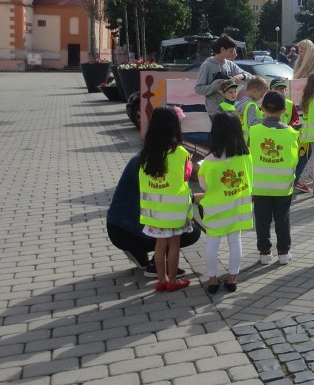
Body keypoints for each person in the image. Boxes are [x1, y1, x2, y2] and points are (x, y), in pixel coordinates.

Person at [106, 153, 201, 277]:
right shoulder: (163, 164)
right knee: (191, 231)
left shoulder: (139, 159)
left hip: (116, 226)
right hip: (131, 229)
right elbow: (172, 201)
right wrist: (198, 197)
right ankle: (155, 266)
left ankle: (137, 251)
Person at [138, 106, 194, 292]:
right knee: (174, 245)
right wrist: (190, 163)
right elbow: (185, 176)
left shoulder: (146, 153)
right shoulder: (181, 153)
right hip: (175, 211)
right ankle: (173, 281)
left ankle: (161, 280)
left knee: (159, 245)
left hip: (154, 210)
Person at [197, 112, 254, 293]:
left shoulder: (208, 161)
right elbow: (250, 180)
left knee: (212, 243)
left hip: (215, 210)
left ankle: (213, 280)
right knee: (235, 241)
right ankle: (232, 279)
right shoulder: (246, 156)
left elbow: (204, 185)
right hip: (237, 207)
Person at [249, 90, 298, 266]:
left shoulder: (253, 131)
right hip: (283, 187)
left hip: (259, 186)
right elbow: (294, 159)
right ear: (284, 110)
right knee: (282, 219)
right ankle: (283, 253)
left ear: (262, 108)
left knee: (262, 220)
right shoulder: (291, 133)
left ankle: (264, 253)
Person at [195, 34, 248, 115]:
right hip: (215, 112)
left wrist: (240, 76)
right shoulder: (207, 65)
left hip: (230, 110)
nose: (233, 53)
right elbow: (198, 89)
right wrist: (215, 86)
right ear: (222, 49)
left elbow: (249, 76)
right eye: (231, 51)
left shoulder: (230, 64)